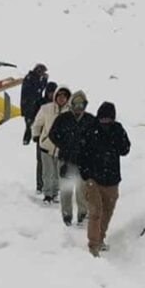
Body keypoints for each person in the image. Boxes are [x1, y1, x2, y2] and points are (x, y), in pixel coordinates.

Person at [78, 102, 131, 257]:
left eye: (108, 119)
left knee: (107, 211)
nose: (105, 122)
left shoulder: (118, 129)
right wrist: (85, 174)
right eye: (102, 119)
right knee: (95, 211)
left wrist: (118, 137)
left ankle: (100, 238)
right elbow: (81, 152)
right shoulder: (90, 129)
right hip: (93, 178)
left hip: (112, 179)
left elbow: (125, 150)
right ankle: (93, 245)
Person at [48, 90, 96, 226]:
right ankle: (67, 215)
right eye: (76, 104)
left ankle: (82, 215)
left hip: (84, 161)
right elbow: (52, 134)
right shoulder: (63, 119)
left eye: (81, 104)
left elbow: (97, 138)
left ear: (85, 105)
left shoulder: (90, 120)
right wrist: (64, 145)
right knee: (66, 190)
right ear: (71, 104)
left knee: (82, 190)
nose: (78, 107)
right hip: (66, 160)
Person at [32, 85, 70, 204]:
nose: (61, 98)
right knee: (47, 172)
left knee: (58, 172)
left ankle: (55, 193)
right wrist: (36, 135)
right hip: (46, 145)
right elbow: (37, 123)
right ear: (55, 96)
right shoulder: (46, 109)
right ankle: (47, 194)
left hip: (61, 148)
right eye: (59, 96)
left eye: (64, 96)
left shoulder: (70, 112)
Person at [33, 81, 58, 194]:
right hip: (42, 137)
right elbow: (36, 120)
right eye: (50, 92)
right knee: (41, 162)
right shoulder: (41, 103)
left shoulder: (59, 105)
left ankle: (53, 187)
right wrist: (36, 134)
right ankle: (40, 185)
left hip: (56, 139)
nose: (51, 94)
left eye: (53, 92)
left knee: (54, 163)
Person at [20, 63, 48, 145]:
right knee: (30, 125)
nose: (42, 74)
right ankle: (26, 142)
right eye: (42, 72)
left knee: (33, 125)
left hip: (31, 106)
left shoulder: (32, 78)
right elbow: (37, 90)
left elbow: (39, 90)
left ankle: (28, 141)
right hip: (30, 107)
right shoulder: (31, 78)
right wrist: (44, 81)